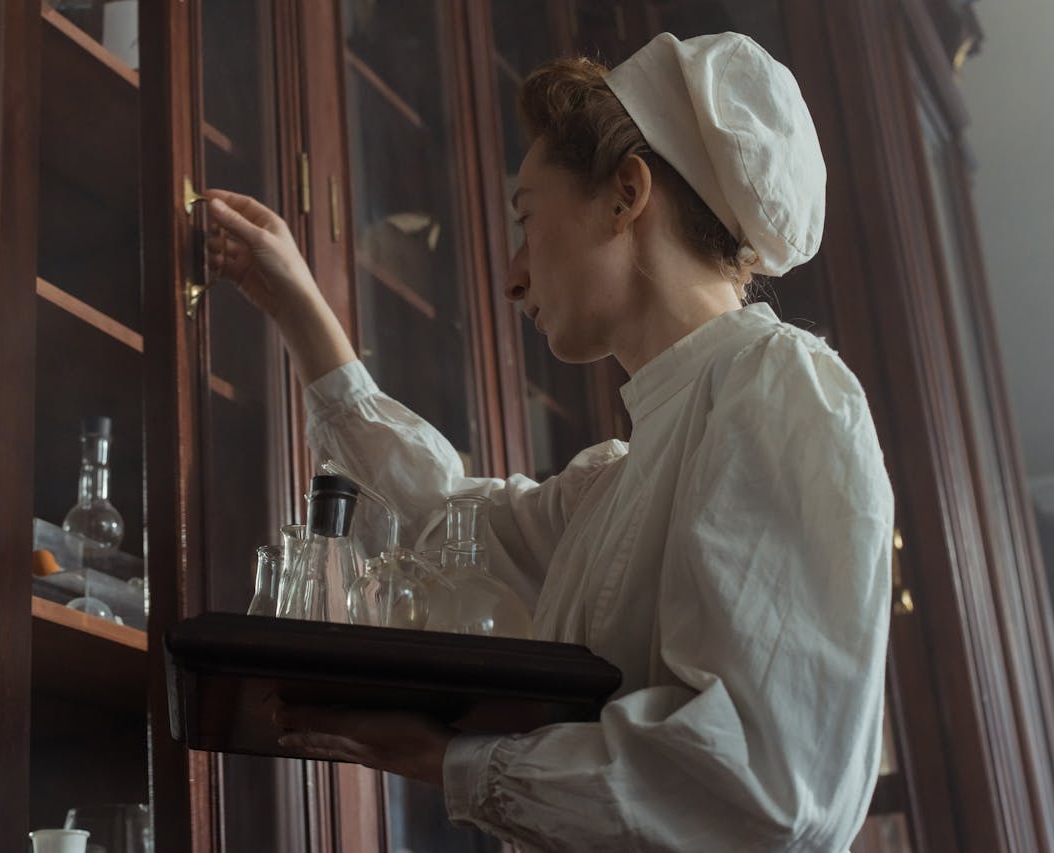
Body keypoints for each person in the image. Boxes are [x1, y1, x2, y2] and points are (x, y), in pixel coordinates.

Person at [203, 31, 892, 853]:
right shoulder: (622, 484)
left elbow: (770, 790)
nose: (513, 273)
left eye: (526, 218)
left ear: (625, 195)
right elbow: (450, 523)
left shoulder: (779, 389)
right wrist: (300, 309)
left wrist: (450, 761)